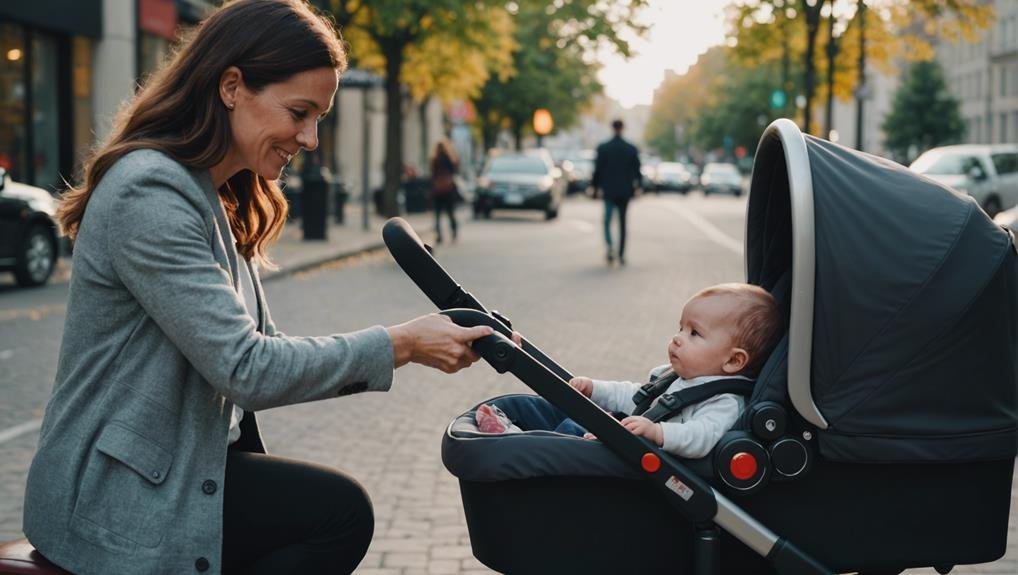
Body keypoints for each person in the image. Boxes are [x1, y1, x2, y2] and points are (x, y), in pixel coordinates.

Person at [21, 2, 494, 574]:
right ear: (231, 87)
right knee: (340, 513)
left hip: (179, 466)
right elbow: (247, 369)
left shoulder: (212, 193)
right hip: (115, 496)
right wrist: (403, 344)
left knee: (328, 508)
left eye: (319, 117)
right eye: (300, 112)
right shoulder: (148, 192)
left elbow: (263, 350)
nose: (311, 139)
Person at [475, 283, 782, 459]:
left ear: (733, 361)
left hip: (632, 463)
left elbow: (701, 437)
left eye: (694, 334)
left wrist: (658, 433)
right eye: (680, 327)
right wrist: (595, 388)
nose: (677, 337)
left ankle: (513, 439)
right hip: (622, 438)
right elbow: (632, 395)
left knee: (572, 431)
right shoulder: (675, 377)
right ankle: (515, 422)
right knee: (552, 408)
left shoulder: (723, 402)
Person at [590, 119, 641, 265]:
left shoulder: (603, 148)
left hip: (609, 190)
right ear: (623, 128)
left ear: (612, 128)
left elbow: (597, 170)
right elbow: (637, 171)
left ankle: (610, 246)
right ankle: (621, 253)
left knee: (607, 221)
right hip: (625, 191)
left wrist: (594, 187)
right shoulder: (631, 148)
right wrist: (638, 187)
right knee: (623, 223)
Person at [429, 139, 459, 244]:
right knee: (450, 213)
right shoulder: (450, 159)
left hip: (438, 190)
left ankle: (439, 235)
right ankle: (454, 231)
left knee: (437, 214)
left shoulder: (435, 159)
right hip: (448, 190)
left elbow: (432, 175)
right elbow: (454, 172)